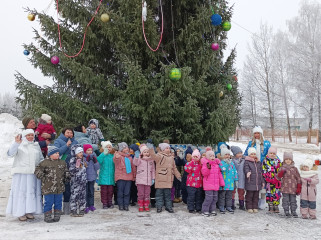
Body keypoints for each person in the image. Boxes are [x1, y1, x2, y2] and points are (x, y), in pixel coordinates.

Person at [6, 129, 43, 221]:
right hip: (22, 174)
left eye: (32, 135)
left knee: (31, 192)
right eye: (28, 135)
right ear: (24, 136)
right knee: (22, 192)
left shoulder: (36, 146)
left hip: (33, 174)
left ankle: (28, 211)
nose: (30, 137)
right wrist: (16, 143)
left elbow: (41, 158)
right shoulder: (19, 145)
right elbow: (10, 154)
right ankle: (20, 212)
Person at [34, 146, 70, 223]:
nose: (57, 155)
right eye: (55, 153)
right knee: (48, 202)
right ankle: (47, 215)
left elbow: (66, 171)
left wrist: (67, 176)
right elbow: (37, 170)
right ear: (50, 154)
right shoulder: (44, 163)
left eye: (58, 153)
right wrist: (42, 175)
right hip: (48, 188)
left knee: (58, 202)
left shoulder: (62, 162)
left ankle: (57, 214)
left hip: (59, 187)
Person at [148, 142, 181, 213]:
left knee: (168, 195)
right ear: (162, 149)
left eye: (169, 148)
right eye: (166, 148)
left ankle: (168, 207)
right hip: (160, 179)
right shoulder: (159, 156)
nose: (168, 149)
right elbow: (153, 156)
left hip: (168, 181)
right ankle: (159, 207)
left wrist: (178, 175)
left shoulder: (171, 158)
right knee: (159, 195)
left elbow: (174, 168)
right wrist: (150, 149)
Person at [244, 126, 271, 210]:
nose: (256, 135)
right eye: (255, 133)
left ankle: (262, 201)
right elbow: (246, 153)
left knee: (262, 182)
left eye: (258, 133)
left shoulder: (266, 143)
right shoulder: (251, 143)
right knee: (253, 183)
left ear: (261, 134)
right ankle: (252, 202)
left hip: (263, 165)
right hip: (252, 165)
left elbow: (270, 153)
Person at [54, 127, 79, 215]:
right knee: (62, 186)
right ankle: (58, 208)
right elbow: (57, 152)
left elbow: (78, 153)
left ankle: (68, 208)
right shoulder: (58, 141)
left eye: (71, 133)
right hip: (61, 167)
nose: (69, 134)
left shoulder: (75, 142)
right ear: (63, 133)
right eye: (68, 132)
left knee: (70, 187)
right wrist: (66, 145)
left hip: (72, 167)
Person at [276, 151, 301, 218]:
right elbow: (278, 177)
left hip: (293, 188)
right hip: (285, 188)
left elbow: (298, 178)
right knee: (285, 200)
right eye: (286, 159)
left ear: (292, 160)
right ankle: (286, 211)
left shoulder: (295, 169)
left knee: (293, 201)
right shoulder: (282, 168)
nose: (288, 161)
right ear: (284, 160)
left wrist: (299, 186)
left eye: (289, 159)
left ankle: (293, 211)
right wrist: (281, 173)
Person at [113, 142, 136, 211]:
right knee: (120, 192)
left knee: (127, 192)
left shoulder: (129, 157)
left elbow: (133, 167)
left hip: (129, 177)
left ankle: (126, 205)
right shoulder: (118, 156)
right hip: (120, 177)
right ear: (121, 149)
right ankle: (121, 205)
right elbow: (116, 161)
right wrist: (116, 157)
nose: (127, 149)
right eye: (125, 148)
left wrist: (134, 176)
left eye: (127, 147)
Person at [201, 150, 224, 216]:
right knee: (208, 198)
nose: (212, 157)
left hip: (216, 185)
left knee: (215, 198)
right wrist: (208, 167)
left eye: (213, 155)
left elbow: (219, 175)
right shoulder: (206, 164)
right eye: (210, 156)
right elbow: (204, 173)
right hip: (208, 185)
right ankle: (205, 210)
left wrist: (221, 183)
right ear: (207, 157)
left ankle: (212, 209)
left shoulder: (216, 165)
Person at [133, 144, 155, 212]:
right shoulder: (139, 159)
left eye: (147, 152)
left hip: (148, 180)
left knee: (147, 193)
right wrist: (136, 157)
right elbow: (135, 163)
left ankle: (146, 204)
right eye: (144, 152)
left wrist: (153, 178)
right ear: (142, 153)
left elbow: (153, 170)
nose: (146, 153)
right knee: (141, 193)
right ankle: (141, 205)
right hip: (140, 180)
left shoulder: (151, 160)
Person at [244, 147, 265, 213]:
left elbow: (260, 172)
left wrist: (262, 181)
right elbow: (246, 168)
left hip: (257, 183)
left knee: (256, 196)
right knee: (249, 196)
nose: (253, 155)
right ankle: (249, 207)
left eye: (254, 154)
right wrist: (247, 172)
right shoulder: (247, 161)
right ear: (249, 154)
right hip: (250, 182)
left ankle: (255, 207)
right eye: (252, 154)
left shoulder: (258, 162)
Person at [218, 147, 238, 214]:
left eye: (228, 154)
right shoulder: (221, 163)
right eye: (225, 154)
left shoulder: (232, 163)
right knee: (222, 196)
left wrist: (236, 179)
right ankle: (221, 206)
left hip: (231, 183)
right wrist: (227, 163)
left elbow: (235, 171)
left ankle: (228, 206)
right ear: (222, 156)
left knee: (229, 196)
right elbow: (223, 169)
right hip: (223, 184)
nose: (227, 156)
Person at [262, 146, 282, 213]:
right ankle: (270, 205)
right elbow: (264, 170)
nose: (272, 155)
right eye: (271, 153)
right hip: (269, 181)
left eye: (274, 153)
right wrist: (267, 178)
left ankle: (276, 205)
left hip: (277, 181)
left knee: (276, 193)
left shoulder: (278, 161)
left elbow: (280, 171)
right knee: (269, 193)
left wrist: (278, 178)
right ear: (268, 153)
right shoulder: (265, 161)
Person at [69, 146, 87, 217]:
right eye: (79, 152)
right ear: (76, 153)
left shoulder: (83, 160)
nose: (81, 153)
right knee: (74, 195)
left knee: (82, 196)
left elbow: (85, 170)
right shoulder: (73, 160)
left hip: (83, 181)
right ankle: (73, 209)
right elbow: (71, 171)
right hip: (76, 182)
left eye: (82, 152)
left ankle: (82, 208)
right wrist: (76, 167)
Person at [97, 141, 115, 209]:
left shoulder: (113, 156)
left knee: (110, 191)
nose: (108, 148)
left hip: (111, 177)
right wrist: (103, 154)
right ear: (104, 148)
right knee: (104, 191)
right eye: (106, 147)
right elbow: (98, 160)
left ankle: (110, 202)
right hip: (104, 177)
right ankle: (104, 203)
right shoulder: (102, 155)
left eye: (109, 147)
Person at [83, 144, 100, 213]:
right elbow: (84, 167)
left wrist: (95, 161)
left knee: (91, 192)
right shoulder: (83, 157)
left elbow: (97, 168)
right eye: (88, 150)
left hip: (92, 177)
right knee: (86, 192)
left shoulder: (94, 157)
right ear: (85, 151)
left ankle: (91, 205)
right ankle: (86, 205)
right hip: (85, 177)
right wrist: (87, 160)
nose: (90, 152)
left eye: (91, 150)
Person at [184, 149, 203, 213]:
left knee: (198, 197)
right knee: (191, 196)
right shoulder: (189, 163)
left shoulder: (200, 164)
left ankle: (198, 207)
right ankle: (191, 208)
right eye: (194, 156)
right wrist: (192, 162)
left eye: (196, 157)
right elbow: (187, 170)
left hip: (199, 184)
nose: (195, 158)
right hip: (191, 184)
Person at [231, 146, 246, 210]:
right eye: (238, 153)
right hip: (234, 178)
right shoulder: (232, 161)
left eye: (241, 153)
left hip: (242, 178)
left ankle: (241, 204)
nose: (240, 154)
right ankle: (232, 204)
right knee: (233, 192)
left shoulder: (244, 160)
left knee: (241, 192)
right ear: (235, 154)